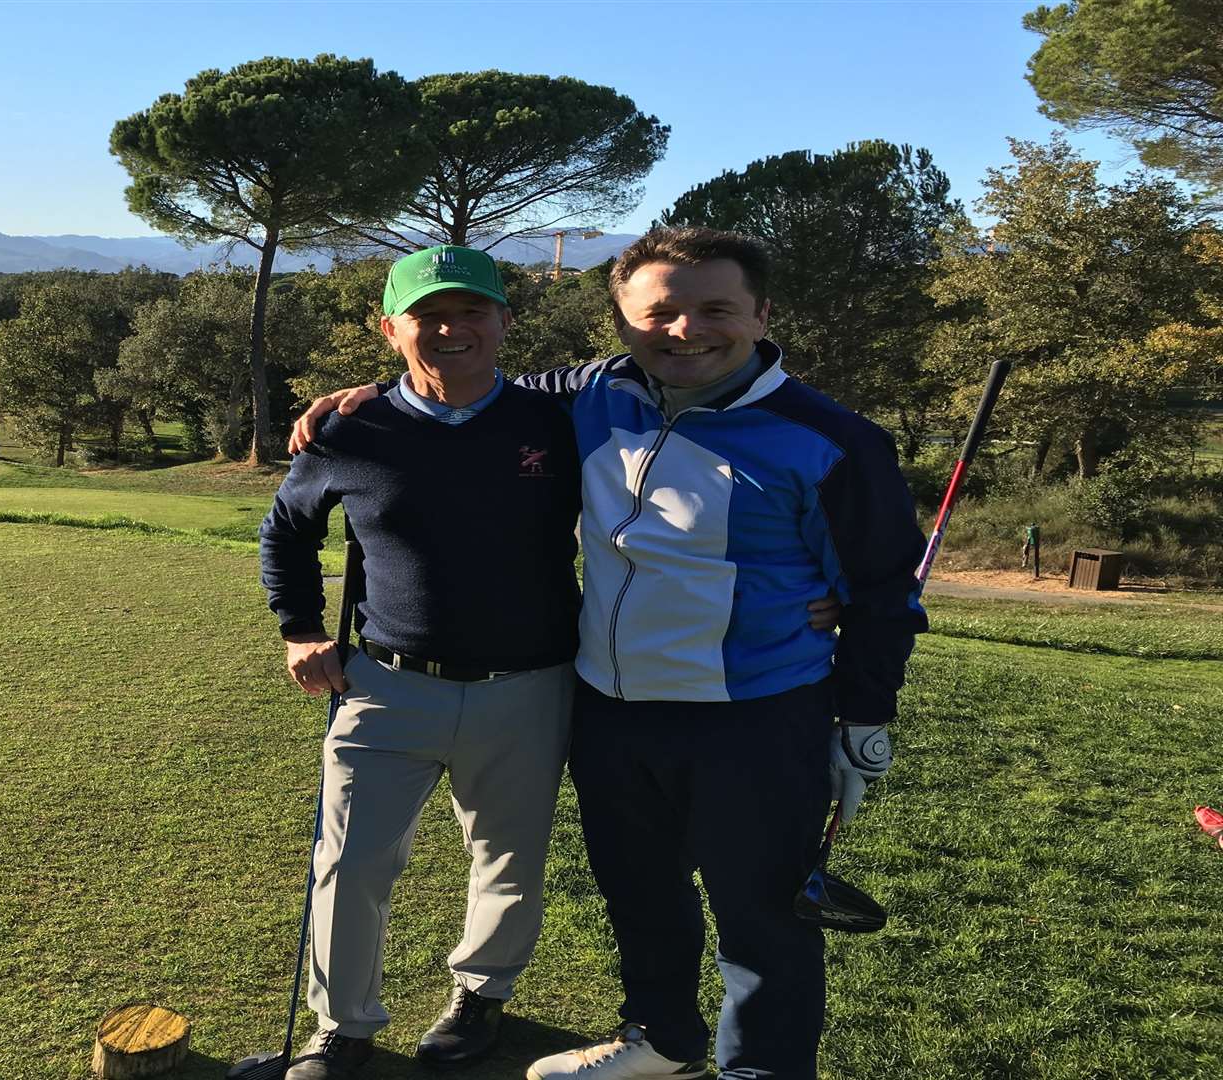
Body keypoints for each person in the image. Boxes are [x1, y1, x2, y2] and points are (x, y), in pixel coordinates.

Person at [292, 226, 926, 1080]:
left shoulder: (830, 437)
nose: (686, 331)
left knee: (760, 917)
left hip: (758, 714)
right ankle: (662, 1039)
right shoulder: (595, 395)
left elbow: (886, 591)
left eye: (715, 310)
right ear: (623, 324)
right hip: (610, 707)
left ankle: (761, 1070)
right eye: (659, 313)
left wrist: (863, 716)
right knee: (642, 895)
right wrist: (373, 390)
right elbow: (469, 382)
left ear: (763, 314)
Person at [258, 244, 585, 1079]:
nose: (451, 328)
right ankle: (344, 1026)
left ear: (505, 322)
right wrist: (300, 628)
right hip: (386, 685)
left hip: (531, 685)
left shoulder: (562, 419)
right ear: (391, 329)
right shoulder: (346, 428)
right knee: (352, 860)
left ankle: (481, 995)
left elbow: (671, 375)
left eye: (472, 310)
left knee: (508, 858)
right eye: (428, 314)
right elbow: (288, 530)